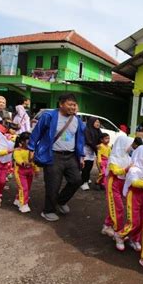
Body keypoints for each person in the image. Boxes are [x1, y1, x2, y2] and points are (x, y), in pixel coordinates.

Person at [28, 93, 85, 222]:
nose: (73, 107)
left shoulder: (77, 120)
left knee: (76, 180)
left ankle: (61, 201)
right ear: (61, 104)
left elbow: (80, 139)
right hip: (53, 155)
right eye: (70, 104)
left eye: (74, 105)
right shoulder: (49, 116)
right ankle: (48, 210)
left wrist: (81, 155)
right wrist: (31, 148)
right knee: (53, 185)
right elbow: (37, 132)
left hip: (70, 156)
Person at [114, 145, 143, 251]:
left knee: (142, 220)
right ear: (142, 156)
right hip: (134, 196)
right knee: (133, 221)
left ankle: (134, 238)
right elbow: (134, 182)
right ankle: (120, 235)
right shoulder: (133, 169)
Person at [102, 136, 134, 237]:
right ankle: (118, 230)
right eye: (129, 145)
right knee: (118, 207)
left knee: (115, 206)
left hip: (122, 184)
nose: (131, 147)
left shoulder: (128, 157)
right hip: (113, 184)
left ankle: (107, 225)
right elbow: (115, 171)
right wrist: (127, 169)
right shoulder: (113, 158)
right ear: (123, 145)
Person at [13, 132, 39, 213]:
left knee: (27, 187)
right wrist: (23, 163)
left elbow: (34, 162)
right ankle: (23, 204)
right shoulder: (17, 150)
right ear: (22, 141)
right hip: (20, 172)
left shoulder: (32, 151)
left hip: (29, 172)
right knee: (23, 188)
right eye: (29, 142)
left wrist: (36, 169)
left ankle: (18, 199)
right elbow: (17, 158)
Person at [81, 117, 102, 191]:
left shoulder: (98, 131)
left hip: (92, 150)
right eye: (96, 122)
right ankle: (84, 182)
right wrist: (96, 148)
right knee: (86, 166)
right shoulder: (87, 130)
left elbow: (100, 140)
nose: (98, 124)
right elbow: (89, 141)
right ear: (91, 122)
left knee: (90, 165)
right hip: (86, 150)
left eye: (99, 122)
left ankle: (86, 178)